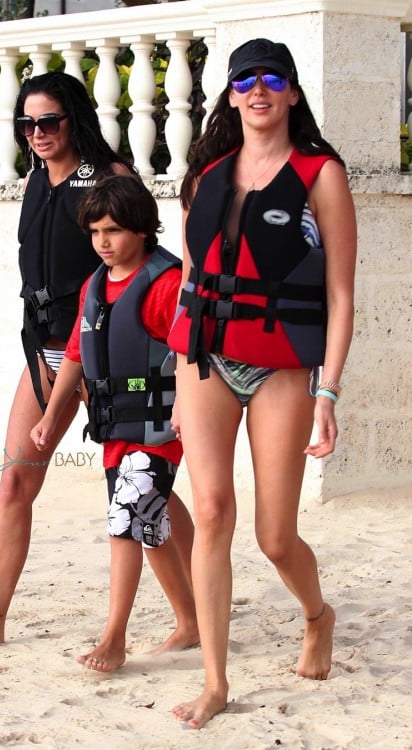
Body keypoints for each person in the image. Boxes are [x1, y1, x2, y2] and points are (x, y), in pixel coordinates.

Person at [168, 38, 357, 728]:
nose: (258, 88)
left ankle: (317, 613)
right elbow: (191, 280)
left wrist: (328, 392)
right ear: (229, 95)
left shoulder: (320, 175)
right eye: (245, 79)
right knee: (213, 511)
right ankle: (215, 682)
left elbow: (340, 295)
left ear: (294, 94)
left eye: (273, 77)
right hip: (206, 360)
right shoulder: (205, 176)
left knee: (276, 536)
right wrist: (177, 374)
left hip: (281, 366)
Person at [0, 71, 135, 651]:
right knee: (15, 480)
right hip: (45, 350)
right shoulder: (36, 180)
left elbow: (136, 266)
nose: (38, 132)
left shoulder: (109, 177)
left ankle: (194, 612)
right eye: (28, 123)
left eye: (49, 121)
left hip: (100, 350)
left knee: (139, 485)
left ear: (74, 117)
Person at [30, 175, 198, 671]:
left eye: (114, 231)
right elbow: (78, 355)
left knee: (125, 518)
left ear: (143, 229)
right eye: (96, 232)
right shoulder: (95, 286)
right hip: (113, 428)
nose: (103, 242)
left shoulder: (166, 283)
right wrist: (50, 415)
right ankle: (189, 624)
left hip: (159, 428)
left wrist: (187, 410)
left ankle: (113, 637)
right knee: (151, 527)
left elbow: (189, 352)